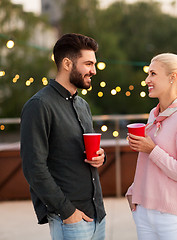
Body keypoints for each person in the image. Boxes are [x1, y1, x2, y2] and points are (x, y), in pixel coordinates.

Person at [21, 33, 106, 240]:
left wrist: (100, 157)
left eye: (94, 64)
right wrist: (67, 211)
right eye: (88, 64)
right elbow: (34, 168)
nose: (93, 70)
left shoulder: (82, 105)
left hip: (98, 215)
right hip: (71, 220)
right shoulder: (39, 105)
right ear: (67, 63)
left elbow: (78, 152)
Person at [126, 53, 177, 240]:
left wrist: (152, 150)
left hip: (173, 218)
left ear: (172, 77)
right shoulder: (154, 114)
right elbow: (150, 165)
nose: (147, 80)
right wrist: (134, 190)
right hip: (144, 213)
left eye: (153, 74)